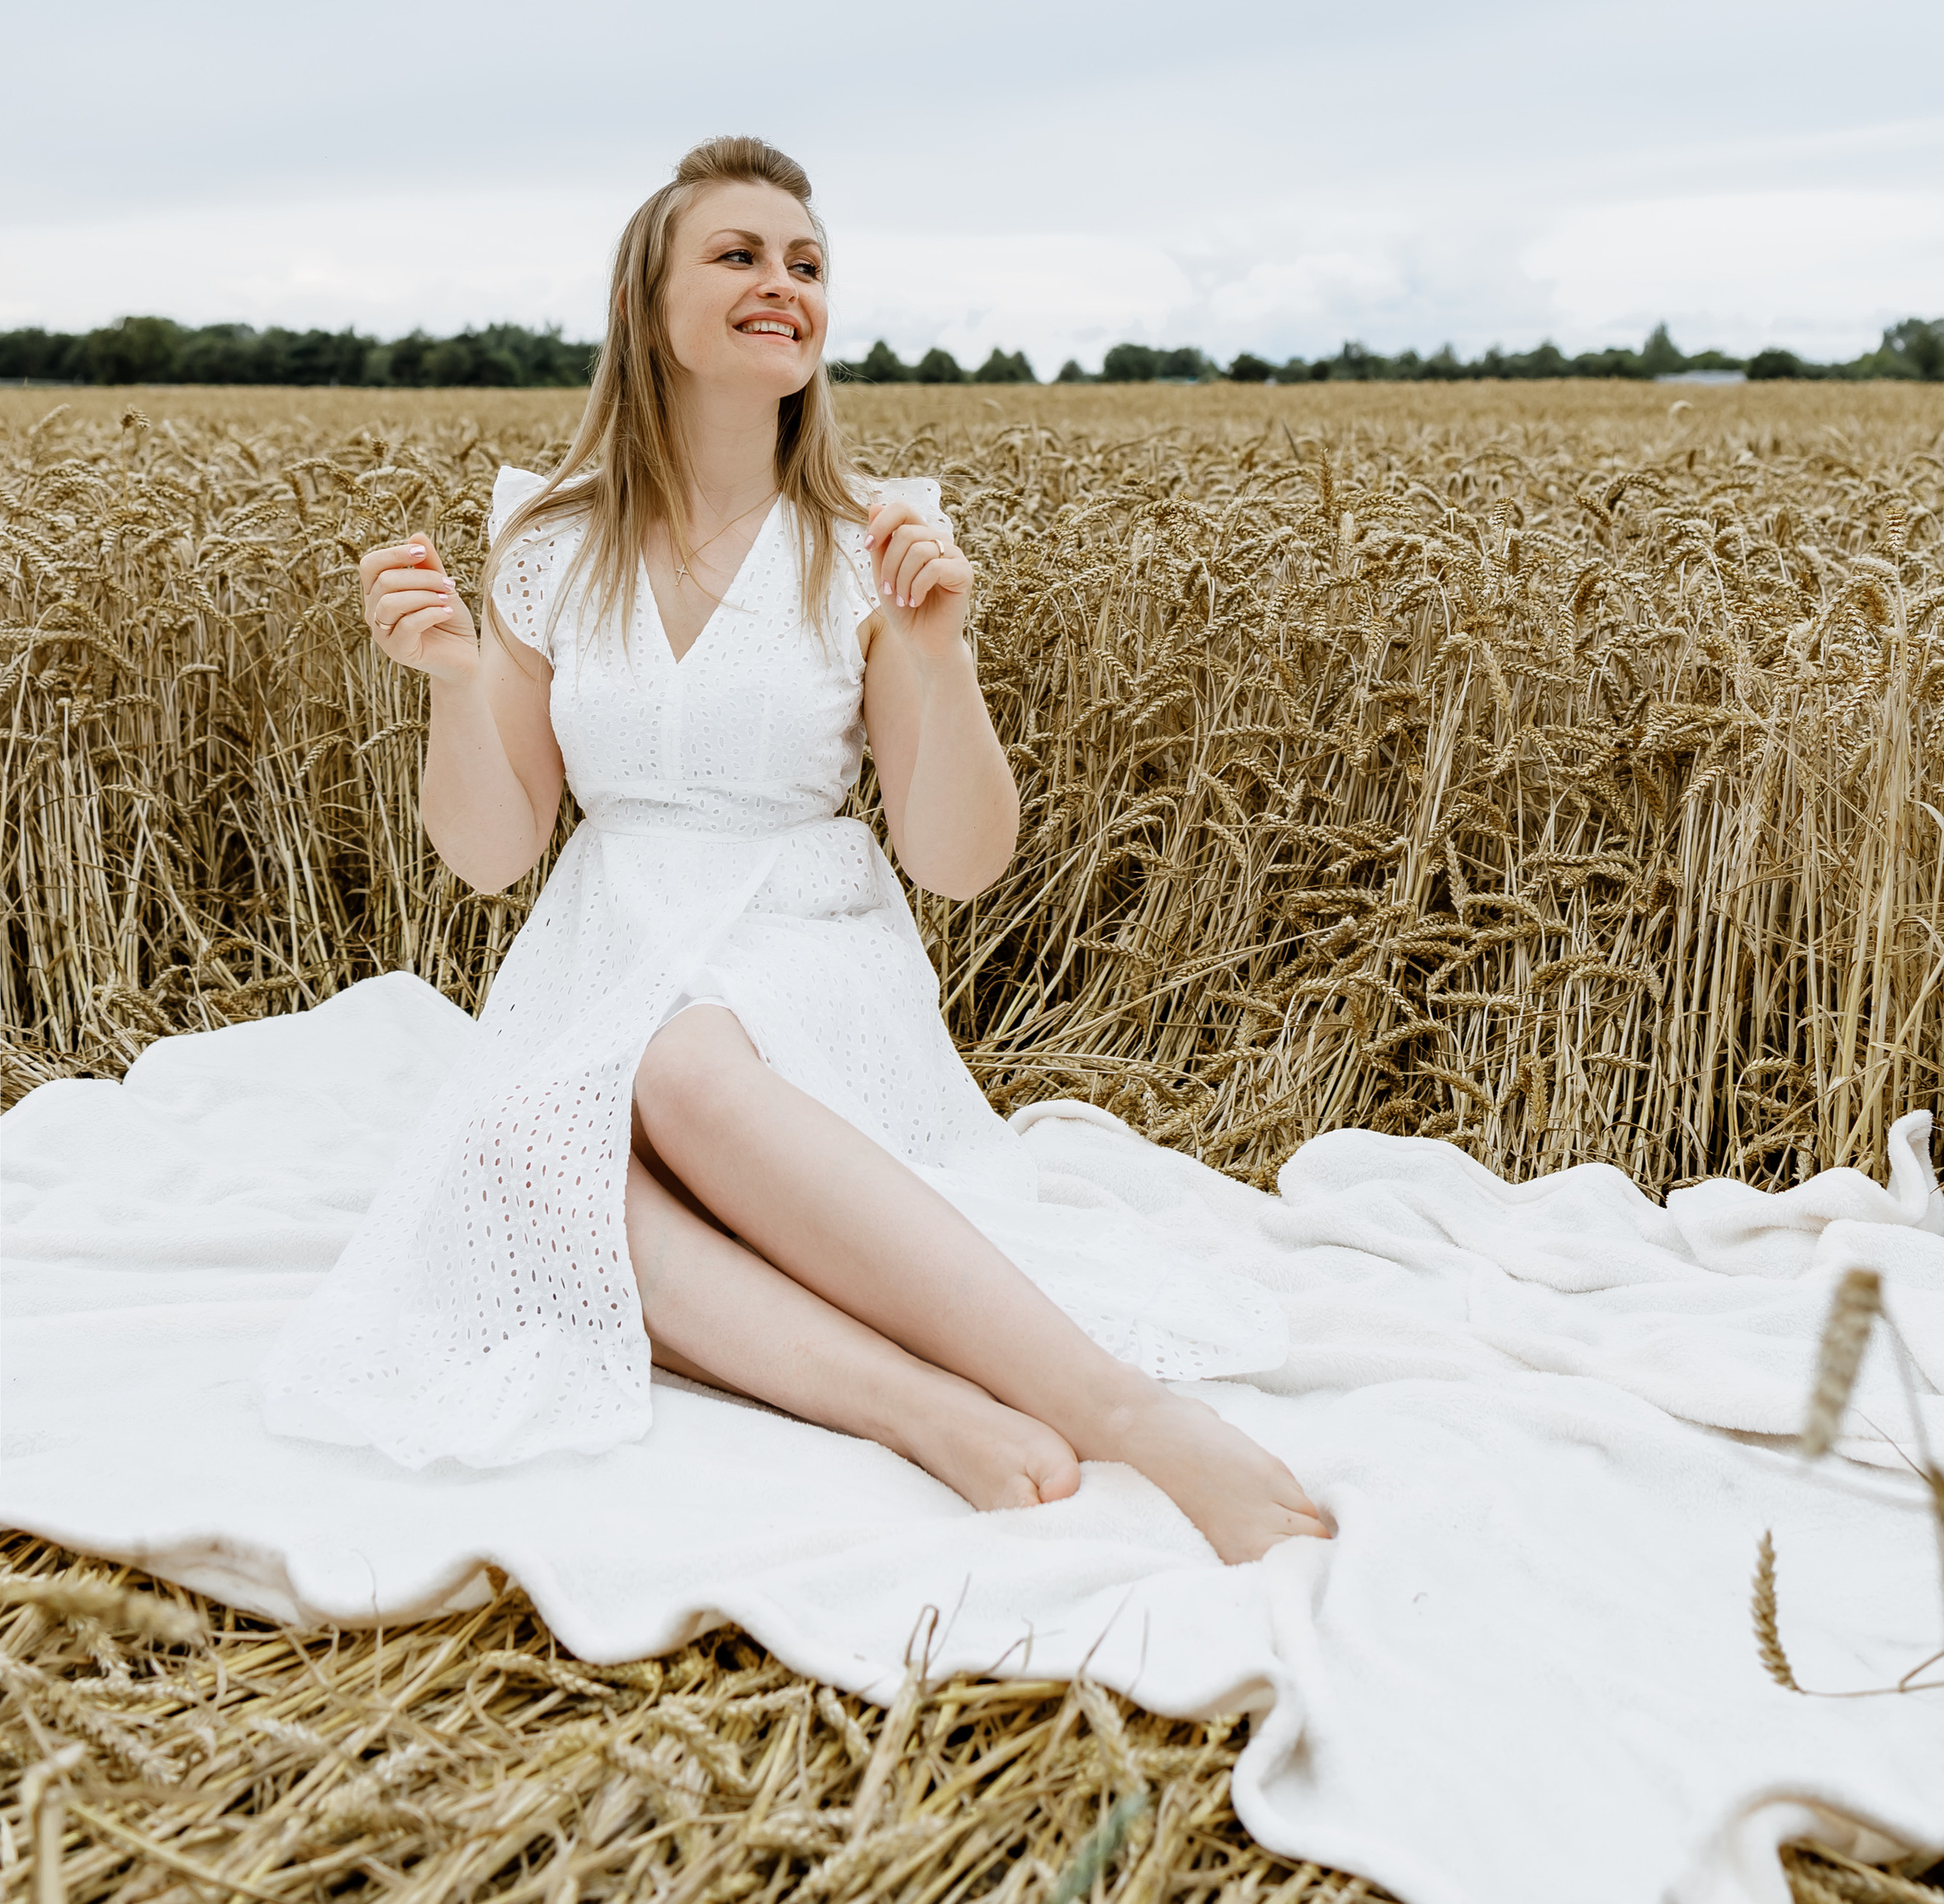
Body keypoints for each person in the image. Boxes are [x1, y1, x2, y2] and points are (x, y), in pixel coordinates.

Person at [264, 134, 1331, 1564]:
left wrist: (940, 657)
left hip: (799, 938)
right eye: (741, 255)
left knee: (684, 1063)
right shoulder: (548, 543)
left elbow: (957, 860)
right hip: (604, 936)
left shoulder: (870, 541)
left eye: (809, 264)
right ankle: (922, 1410)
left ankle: (1130, 1415)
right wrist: (458, 682)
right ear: (650, 306)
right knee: (521, 1150)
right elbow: (493, 853)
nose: (785, 284)